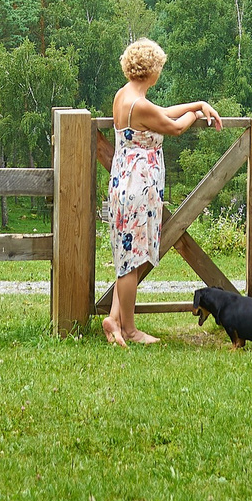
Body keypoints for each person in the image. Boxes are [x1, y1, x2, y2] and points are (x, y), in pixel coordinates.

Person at [104, 37, 221, 346]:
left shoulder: (123, 96)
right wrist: (195, 116)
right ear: (152, 71)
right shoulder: (138, 104)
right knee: (132, 260)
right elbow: (174, 126)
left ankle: (114, 320)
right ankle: (129, 329)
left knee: (128, 256)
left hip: (122, 183)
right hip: (138, 189)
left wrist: (196, 104)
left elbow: (163, 111)